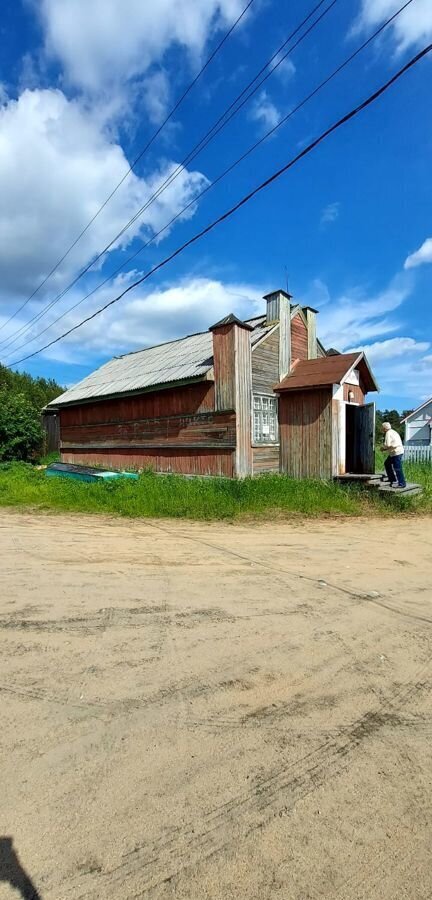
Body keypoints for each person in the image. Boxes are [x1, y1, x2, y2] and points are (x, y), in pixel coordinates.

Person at [381, 422, 406, 488]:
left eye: (382, 428)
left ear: (384, 428)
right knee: (387, 463)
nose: (382, 429)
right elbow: (393, 444)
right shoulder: (394, 431)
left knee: (397, 468)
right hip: (397, 451)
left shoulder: (388, 433)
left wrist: (383, 448)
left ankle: (402, 483)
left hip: (396, 452)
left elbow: (388, 445)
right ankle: (392, 479)